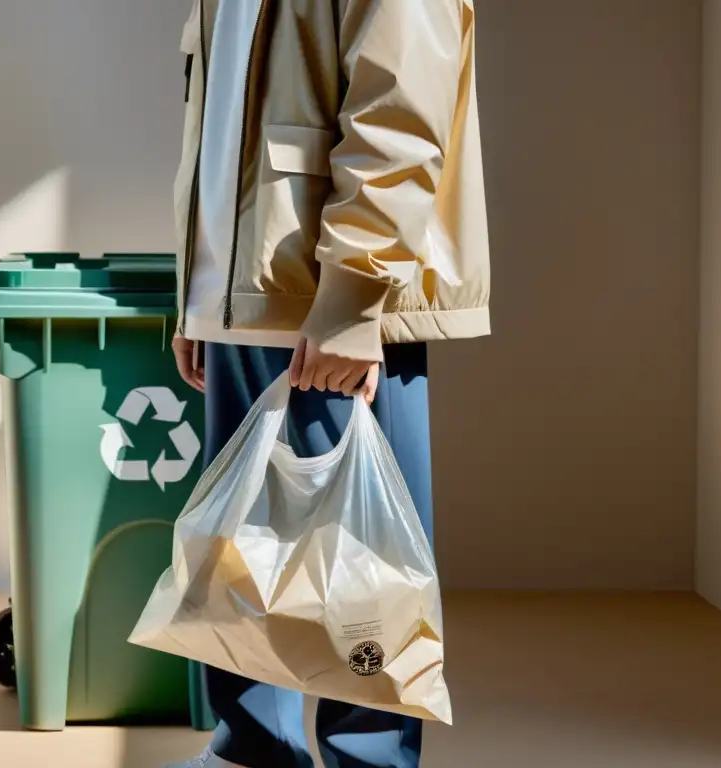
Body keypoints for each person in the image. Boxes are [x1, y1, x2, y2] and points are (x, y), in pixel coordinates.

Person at [168, 1, 488, 766]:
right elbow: (215, 123)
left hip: (329, 295)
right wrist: (196, 296)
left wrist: (353, 297)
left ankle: (368, 761)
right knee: (240, 551)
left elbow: (400, 107)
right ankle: (251, 749)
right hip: (244, 290)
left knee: (359, 562)